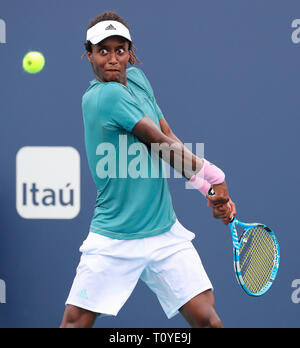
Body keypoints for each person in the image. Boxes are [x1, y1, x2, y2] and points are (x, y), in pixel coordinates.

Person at [60, 11, 236, 329]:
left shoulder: (138, 81)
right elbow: (156, 142)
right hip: (114, 235)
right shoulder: (103, 97)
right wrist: (216, 176)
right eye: (102, 51)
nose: (112, 59)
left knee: (208, 321)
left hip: (163, 230)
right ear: (88, 54)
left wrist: (205, 187)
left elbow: (168, 134)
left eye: (120, 50)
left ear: (131, 52)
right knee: (75, 324)